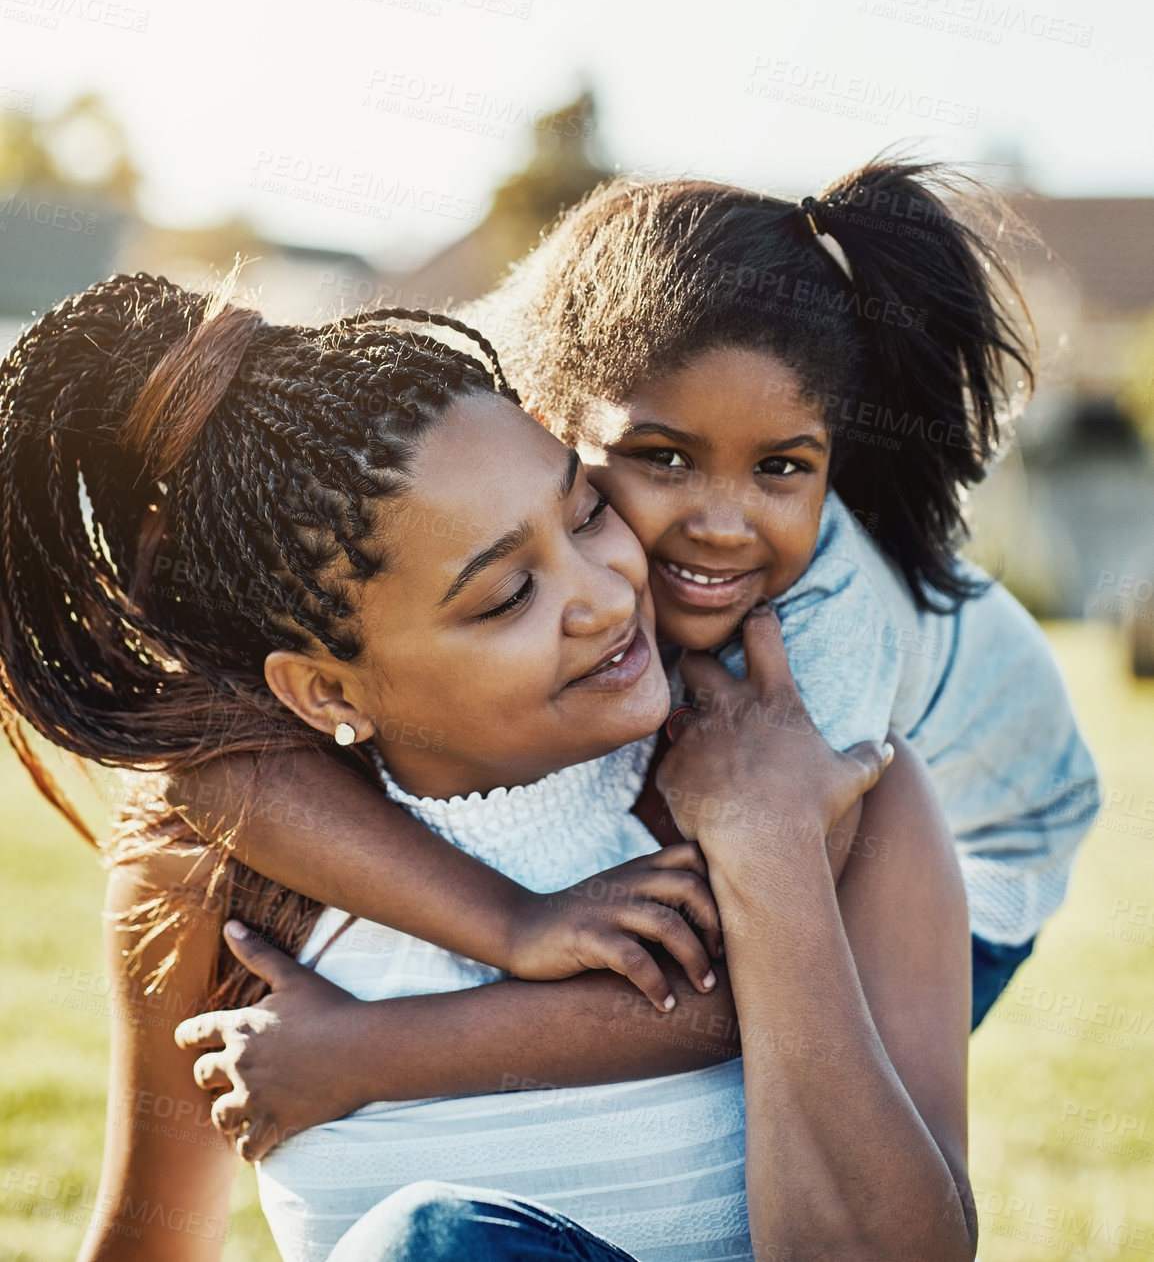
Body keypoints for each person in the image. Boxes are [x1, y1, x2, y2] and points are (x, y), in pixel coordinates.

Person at [0, 274, 973, 1262]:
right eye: (507, 593)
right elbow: (148, 1240)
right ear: (328, 693)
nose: (601, 593)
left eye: (586, 510)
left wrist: (767, 844)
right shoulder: (212, 870)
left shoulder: (841, 790)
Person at [167, 158, 1097, 1084]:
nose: (722, 525)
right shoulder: (483, 436)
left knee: (796, 1070)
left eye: (780, 468)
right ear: (545, 423)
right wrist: (513, 920)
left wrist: (356, 1055)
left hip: (992, 851)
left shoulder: (827, 630)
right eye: (663, 458)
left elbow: (732, 985)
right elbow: (207, 768)